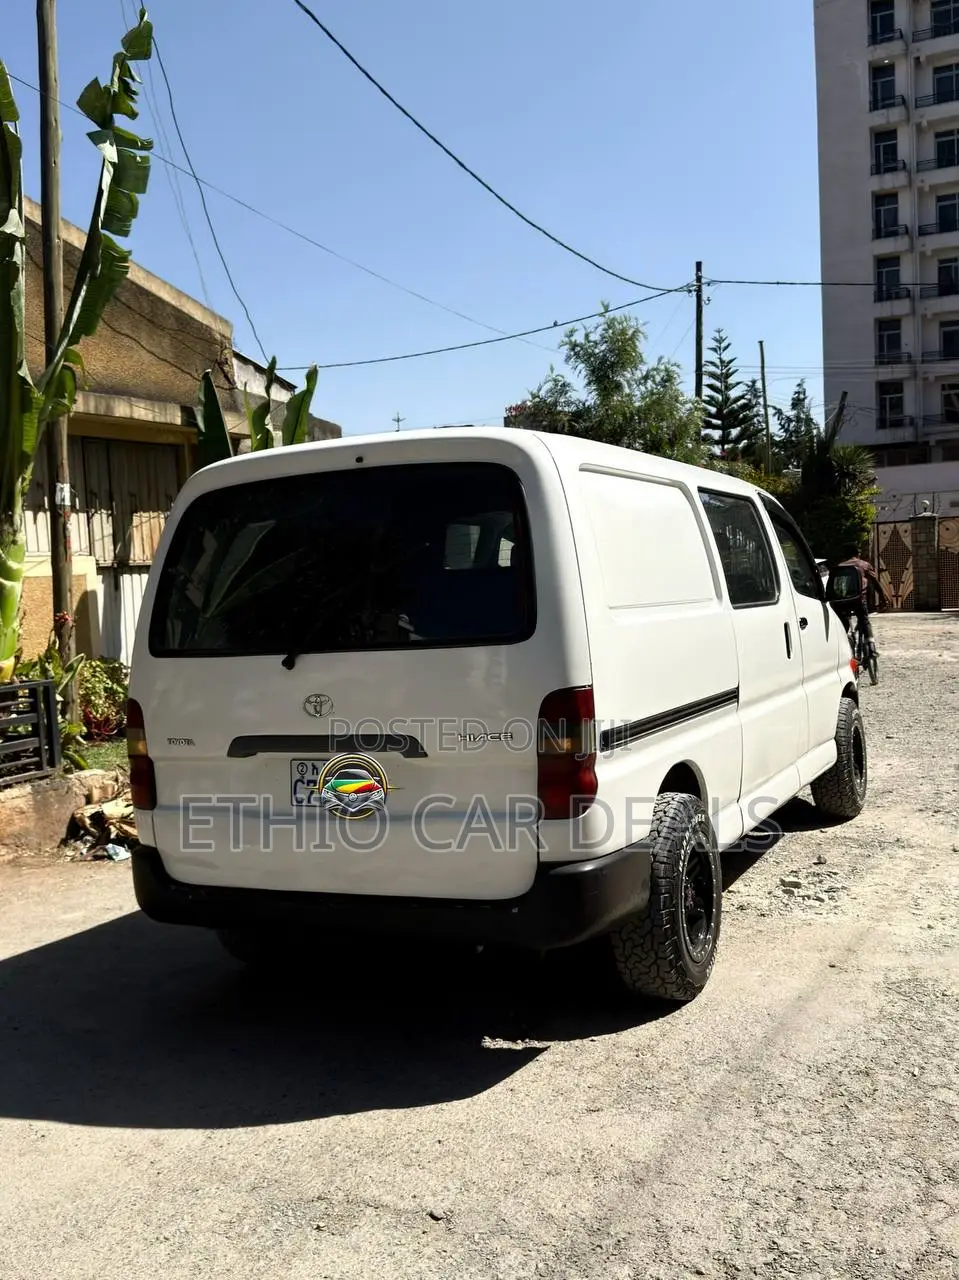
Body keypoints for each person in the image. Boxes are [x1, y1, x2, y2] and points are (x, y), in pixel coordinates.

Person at [827, 545, 890, 654]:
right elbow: (875, 583)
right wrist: (883, 598)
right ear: (858, 553)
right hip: (858, 600)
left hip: (840, 602)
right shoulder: (864, 565)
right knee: (864, 621)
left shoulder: (839, 567)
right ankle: (871, 647)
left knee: (843, 624)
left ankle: (842, 646)